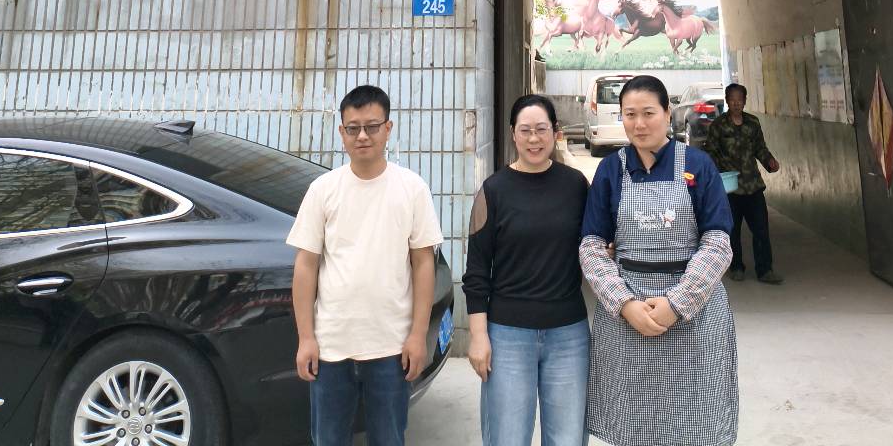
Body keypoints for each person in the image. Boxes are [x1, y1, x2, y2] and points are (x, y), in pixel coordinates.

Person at [579, 75, 738, 446]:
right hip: (627, 319)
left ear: (668, 113)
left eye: (648, 113)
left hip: (694, 317)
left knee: (696, 422)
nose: (639, 123)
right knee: (634, 424)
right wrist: (625, 304)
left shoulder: (698, 165)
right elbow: (591, 246)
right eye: (630, 114)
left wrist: (677, 303)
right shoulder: (610, 170)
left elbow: (718, 242)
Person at [287, 84, 444, 446]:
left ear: (388, 129)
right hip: (330, 346)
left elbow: (423, 264)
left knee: (389, 438)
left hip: (391, 346)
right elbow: (306, 265)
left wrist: (418, 335)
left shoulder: (412, 188)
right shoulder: (323, 189)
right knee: (328, 439)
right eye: (353, 128)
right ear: (341, 132)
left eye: (372, 127)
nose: (362, 136)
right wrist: (306, 338)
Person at [463, 94, 590, 446]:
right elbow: (476, 272)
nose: (534, 139)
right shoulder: (493, 190)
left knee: (567, 438)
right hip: (507, 335)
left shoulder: (576, 185)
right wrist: (478, 336)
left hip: (568, 334)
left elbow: (595, 246)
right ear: (513, 134)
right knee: (507, 437)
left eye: (541, 129)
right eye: (525, 130)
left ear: (555, 132)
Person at [704, 82, 783, 285]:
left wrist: (770, 161)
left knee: (761, 230)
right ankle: (736, 267)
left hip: (753, 185)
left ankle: (765, 270)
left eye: (740, 99)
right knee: (732, 231)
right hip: (730, 188)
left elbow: (760, 148)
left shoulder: (753, 123)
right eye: (732, 99)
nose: (736, 103)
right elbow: (710, 152)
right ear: (727, 101)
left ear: (745, 101)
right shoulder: (718, 126)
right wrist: (716, 176)